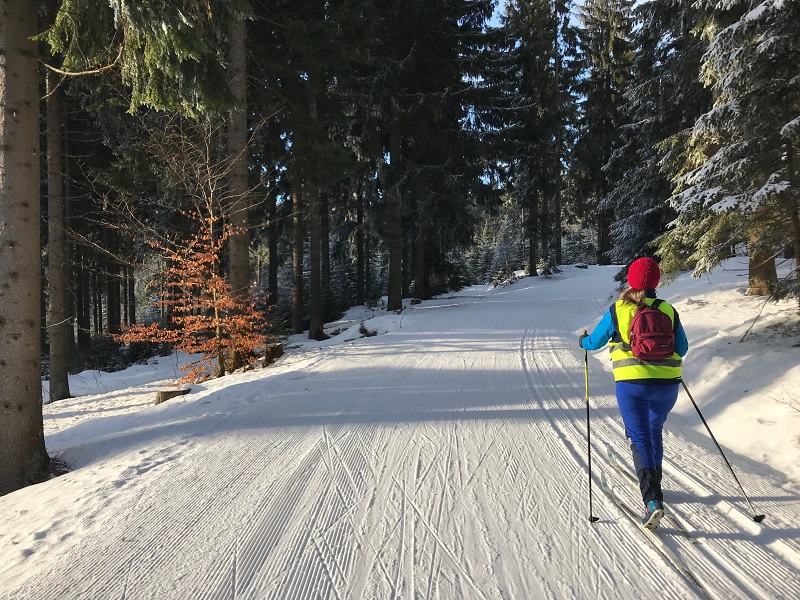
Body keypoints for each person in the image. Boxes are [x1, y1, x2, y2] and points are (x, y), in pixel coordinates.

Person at [579, 257, 688, 529]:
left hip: (632, 386)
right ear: (656, 282)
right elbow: (682, 348)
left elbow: (595, 342)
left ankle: (652, 500)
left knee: (639, 438)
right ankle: (656, 483)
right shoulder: (668, 310)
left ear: (631, 280)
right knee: (655, 431)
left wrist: (582, 340)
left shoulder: (619, 309)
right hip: (667, 385)